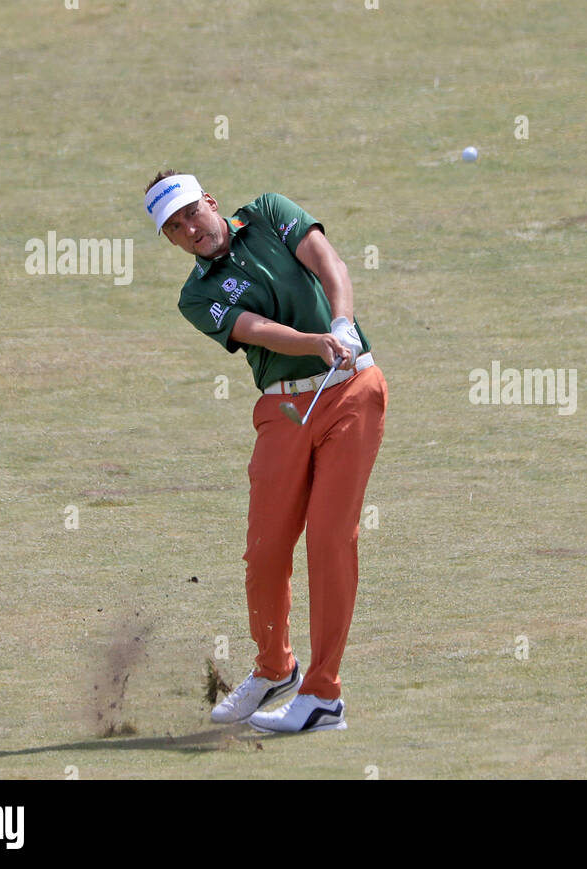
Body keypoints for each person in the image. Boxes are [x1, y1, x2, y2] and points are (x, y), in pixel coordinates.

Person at [144, 171, 387, 732]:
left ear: (210, 201)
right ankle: (275, 667)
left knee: (329, 538)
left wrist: (343, 321)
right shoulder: (196, 295)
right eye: (175, 229)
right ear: (173, 241)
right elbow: (256, 329)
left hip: (352, 392)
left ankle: (322, 696)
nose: (189, 229)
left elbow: (330, 264)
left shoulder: (270, 212)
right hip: (283, 410)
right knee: (266, 550)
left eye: (190, 213)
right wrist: (315, 343)